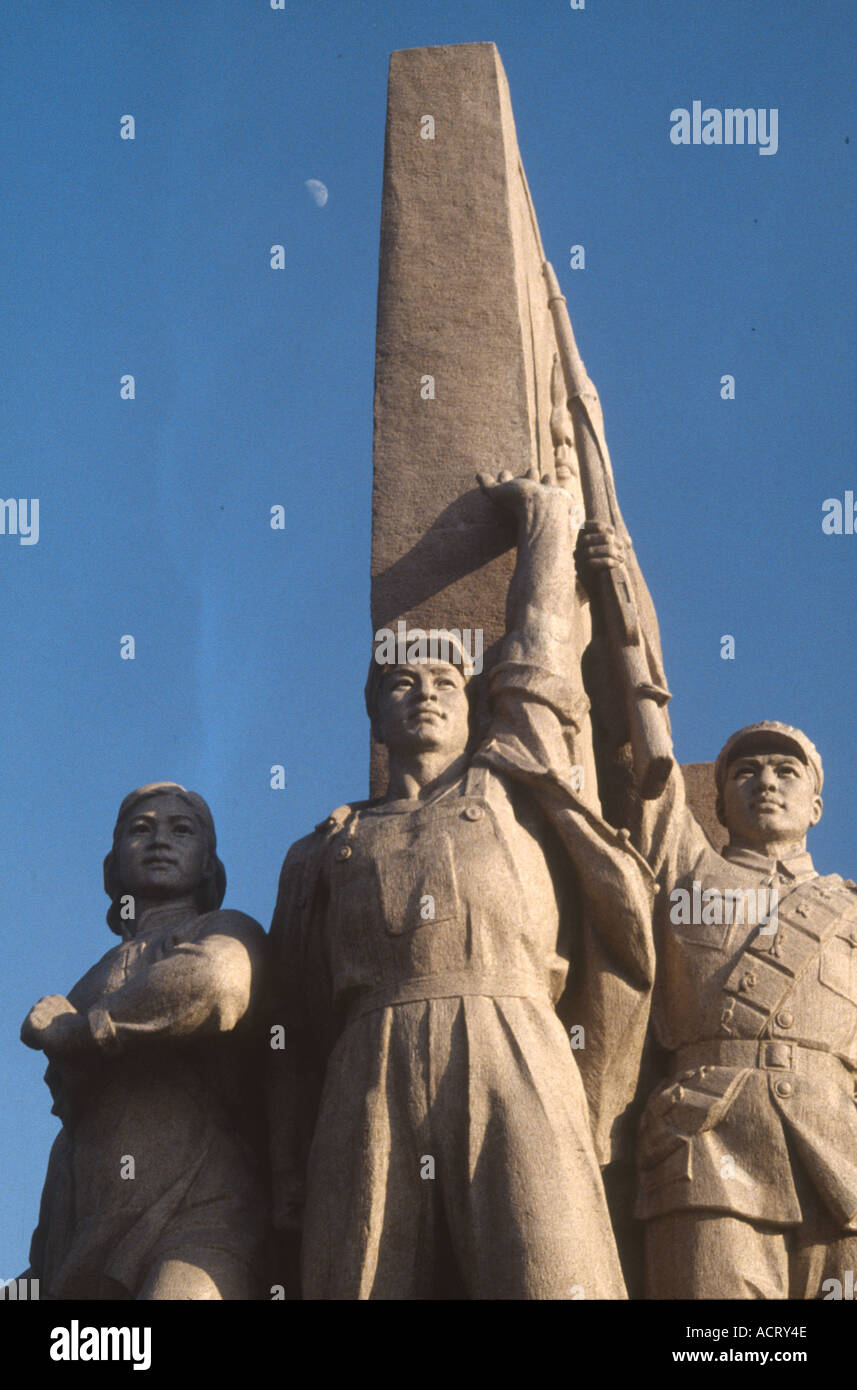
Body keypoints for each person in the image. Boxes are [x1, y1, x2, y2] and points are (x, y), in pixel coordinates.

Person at [269, 469, 655, 1300]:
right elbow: (292, 1020)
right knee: (355, 1277)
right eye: (400, 683)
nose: (423, 694)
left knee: (552, 1270)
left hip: (510, 1029)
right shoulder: (323, 849)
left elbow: (539, 640)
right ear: (374, 713)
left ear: (474, 707)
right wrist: (285, 1159)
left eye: (445, 682)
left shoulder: (510, 780)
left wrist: (547, 519)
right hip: (366, 1054)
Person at [579, 524, 857, 1299]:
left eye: (784, 769)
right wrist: (618, 586)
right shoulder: (687, 870)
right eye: (746, 770)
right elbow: (640, 728)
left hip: (841, 1157)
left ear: (816, 802)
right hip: (706, 1149)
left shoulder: (849, 911)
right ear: (720, 796)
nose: (765, 781)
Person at [21, 783, 269, 1300]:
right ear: (113, 867)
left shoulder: (223, 930)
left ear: (207, 864)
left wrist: (81, 1030)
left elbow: (215, 984)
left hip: (200, 1205)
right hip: (88, 1220)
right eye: (141, 828)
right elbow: (74, 1133)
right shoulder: (88, 980)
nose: (160, 839)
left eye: (182, 829)